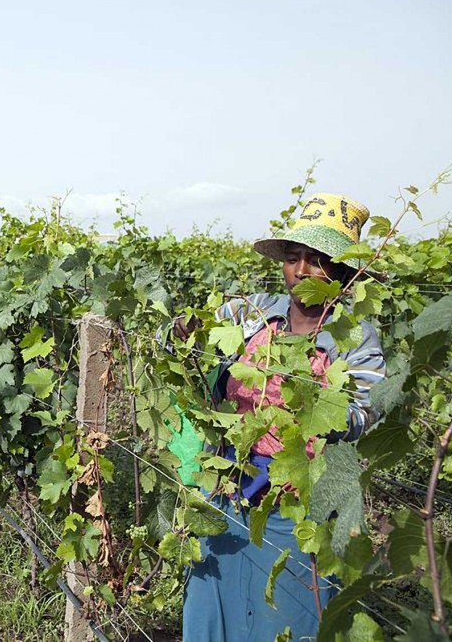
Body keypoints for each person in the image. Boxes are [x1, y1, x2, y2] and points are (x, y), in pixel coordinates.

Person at [177, 194, 386, 641]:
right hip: (231, 483)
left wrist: (311, 403)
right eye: (294, 258)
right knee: (213, 601)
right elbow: (188, 333)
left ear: (343, 273)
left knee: (285, 615)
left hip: (299, 500)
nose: (302, 271)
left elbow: (366, 411)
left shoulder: (353, 337)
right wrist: (183, 331)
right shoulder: (252, 311)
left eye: (317, 260)